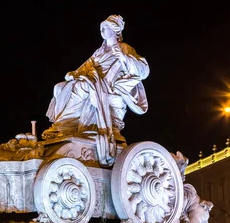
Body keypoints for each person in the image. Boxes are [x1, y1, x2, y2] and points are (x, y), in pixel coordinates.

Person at [42, 15, 150, 166]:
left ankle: (65, 126)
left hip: (108, 87)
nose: (102, 30)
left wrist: (125, 58)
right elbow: (86, 67)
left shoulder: (124, 48)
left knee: (83, 87)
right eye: (101, 28)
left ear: (115, 30)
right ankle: (63, 125)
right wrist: (75, 74)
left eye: (105, 28)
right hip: (95, 81)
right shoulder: (99, 51)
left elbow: (143, 71)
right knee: (59, 87)